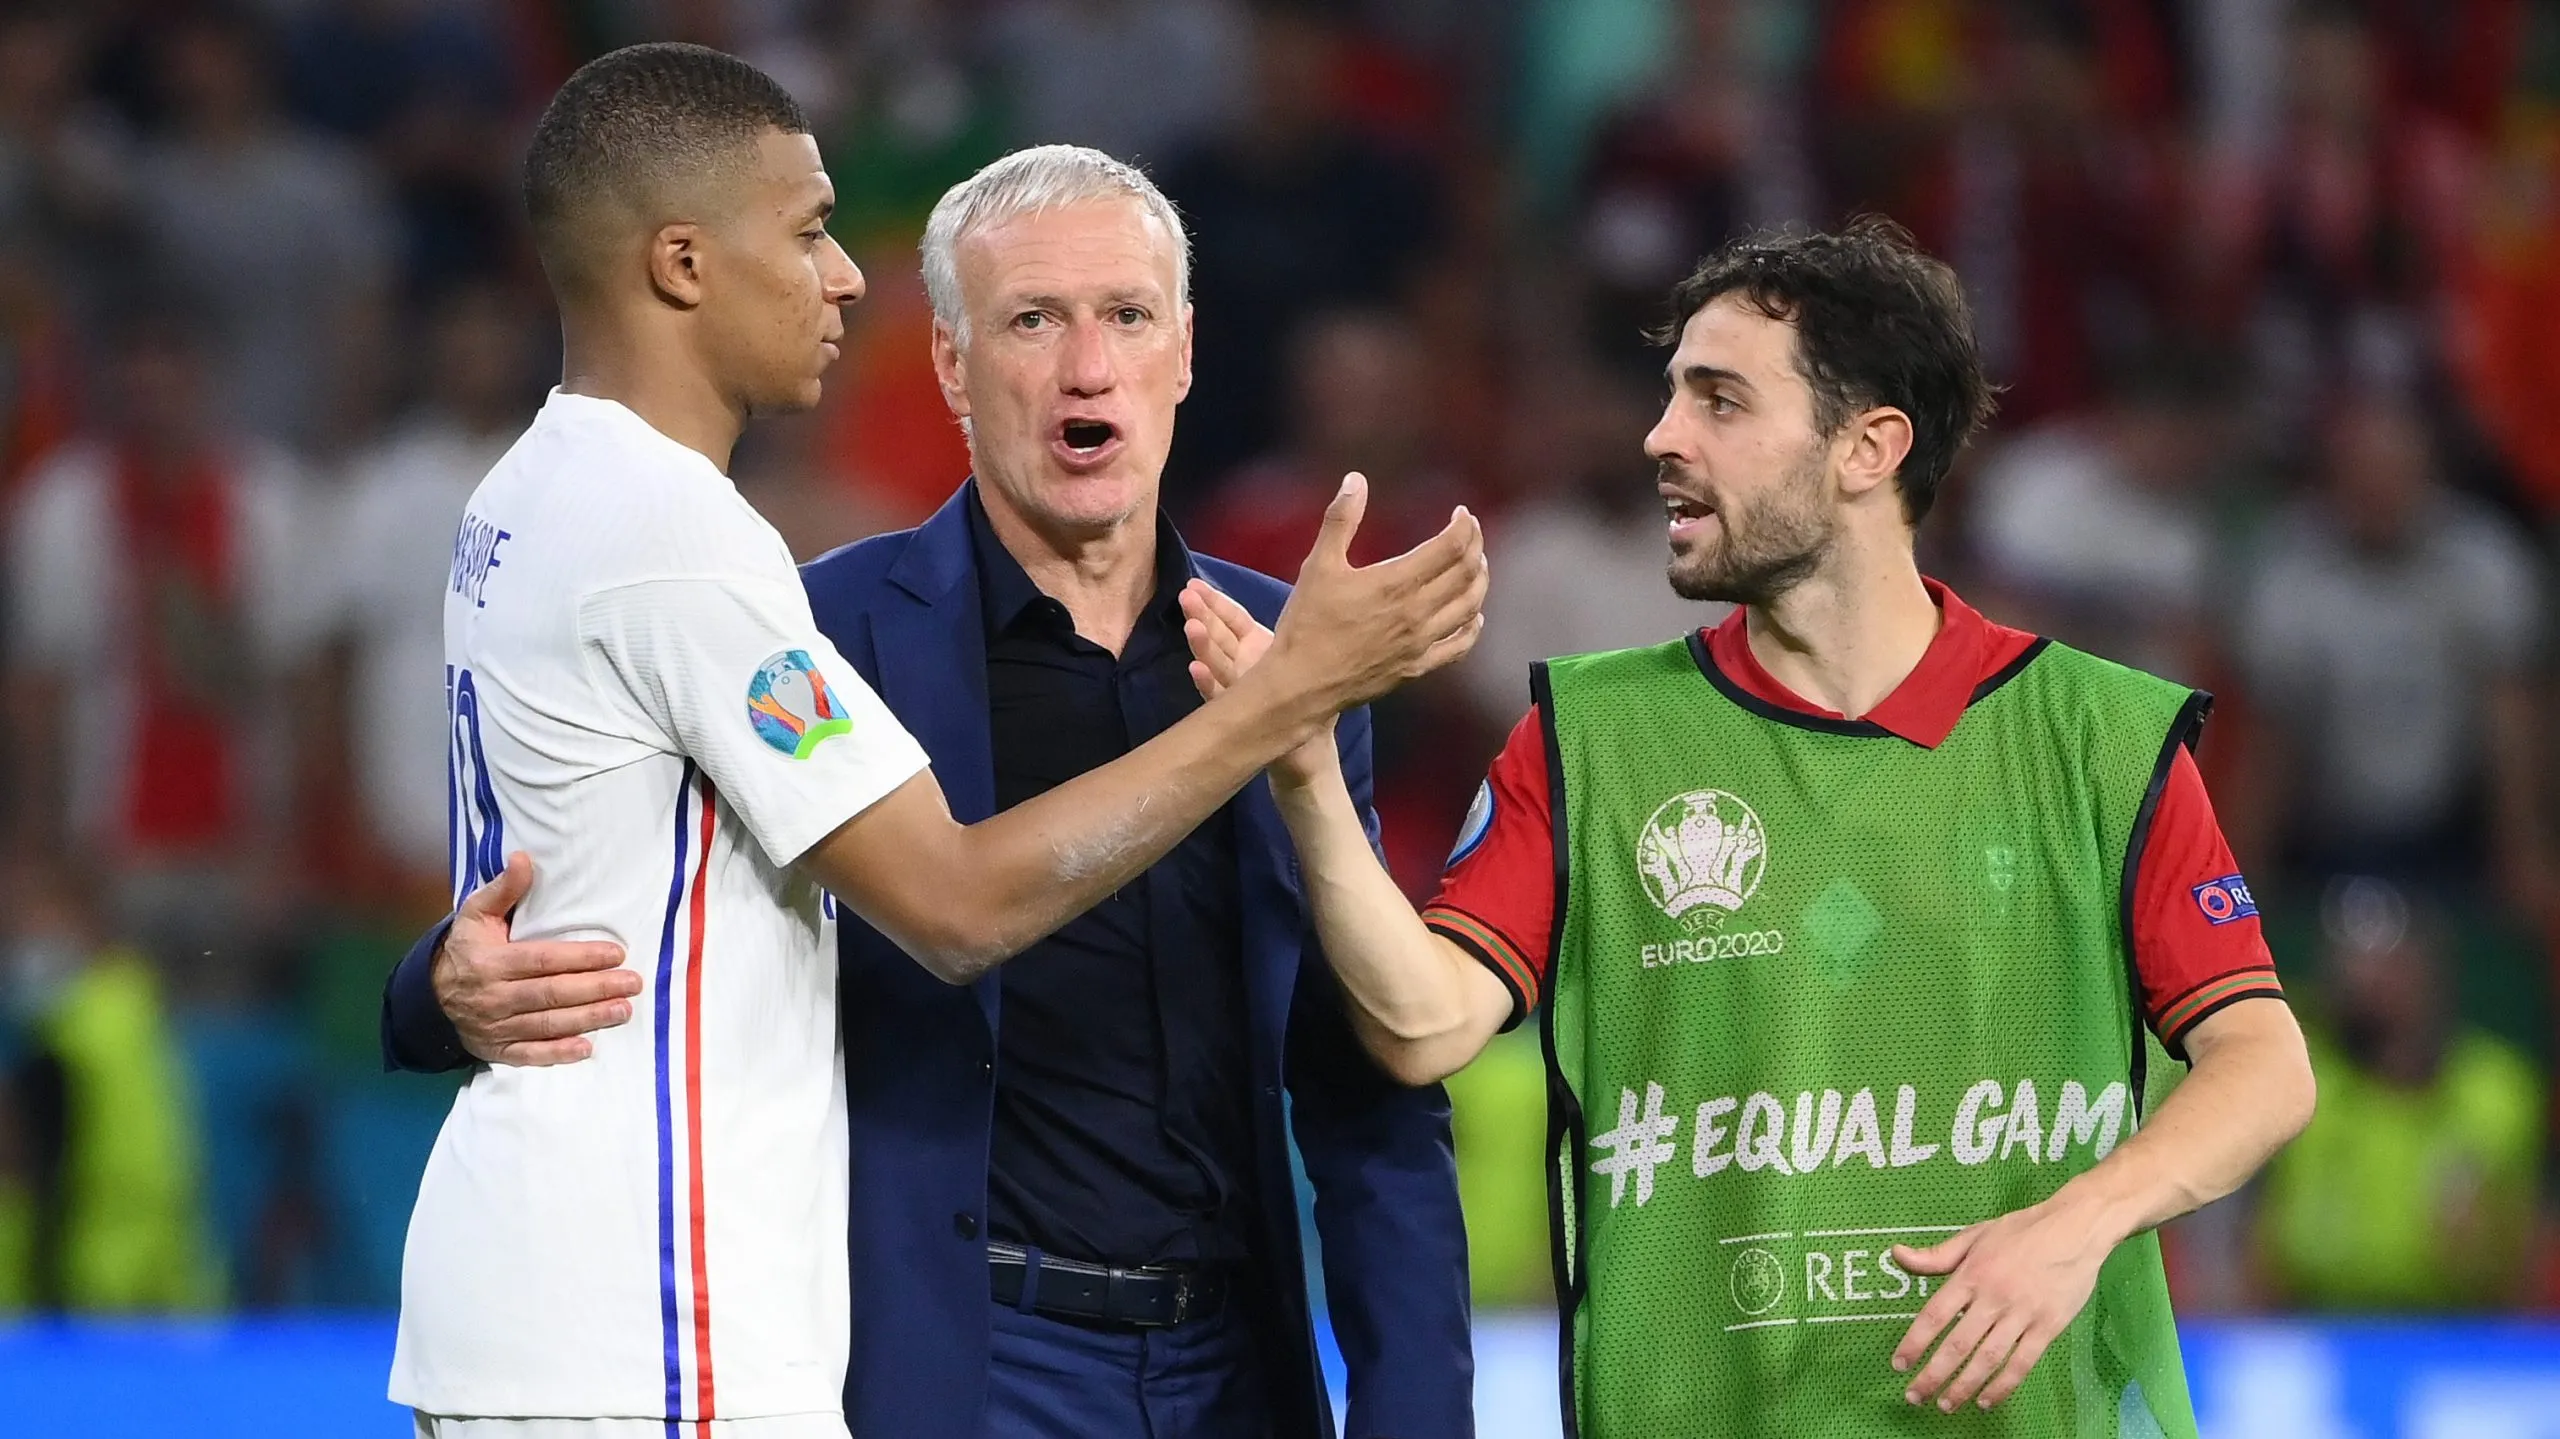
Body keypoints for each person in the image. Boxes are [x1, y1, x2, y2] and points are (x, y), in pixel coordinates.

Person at [385, 51, 1483, 1439]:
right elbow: (905, 899)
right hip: (931, 1364)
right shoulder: (816, 616)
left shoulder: (1279, 640)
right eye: (1032, 320)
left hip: (1228, 1365)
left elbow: (1363, 1079)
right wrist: (434, 984)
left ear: (1188, 349)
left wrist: (1415, 1408)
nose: (1089, 364)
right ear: (955, 367)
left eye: (1128, 315)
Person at [1179, 219, 2317, 1436]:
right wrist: (1301, 763)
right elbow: (1418, 1026)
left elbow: (2264, 1065)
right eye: (1672, 396)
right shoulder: (1588, 741)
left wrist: (2077, 1221)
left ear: (1867, 446)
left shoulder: (2097, 738)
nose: (1660, 437)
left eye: (1720, 400)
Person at [2255, 878, 2541, 1311]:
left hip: (2458, 1336)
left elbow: (2527, 1259)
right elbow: (2262, 1254)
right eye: (2348, 958)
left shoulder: (2498, 1090)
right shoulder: (2306, 1086)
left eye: (2383, 960)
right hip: (2316, 1331)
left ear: (2430, 970)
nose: (2359, 975)